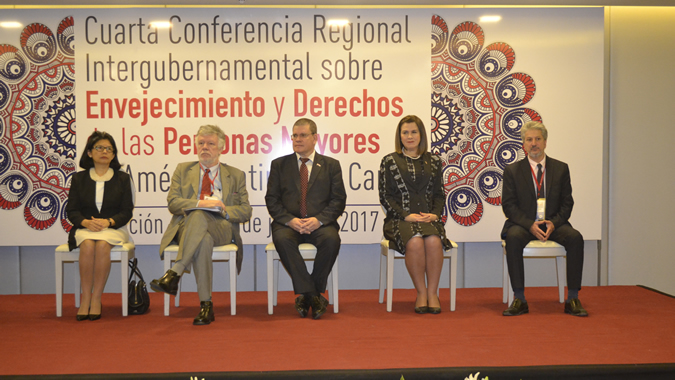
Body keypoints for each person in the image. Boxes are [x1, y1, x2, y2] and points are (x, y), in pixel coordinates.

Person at [151, 125, 252, 325]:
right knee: (201, 234)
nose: (204, 147)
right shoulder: (182, 169)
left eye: (210, 144)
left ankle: (175, 273)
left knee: (201, 220)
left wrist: (223, 209)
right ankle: (206, 305)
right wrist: (200, 204)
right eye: (201, 143)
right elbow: (173, 203)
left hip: (221, 227)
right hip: (187, 228)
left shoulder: (236, 174)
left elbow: (246, 211)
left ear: (221, 148)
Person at [501, 121, 587, 317]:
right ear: (523, 144)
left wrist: (554, 223)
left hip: (553, 223)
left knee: (575, 238)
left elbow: (567, 203)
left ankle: (573, 298)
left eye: (538, 139)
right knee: (512, 238)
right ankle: (519, 299)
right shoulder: (512, 171)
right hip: (524, 224)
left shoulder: (561, 168)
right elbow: (509, 206)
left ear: (545, 142)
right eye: (529, 139)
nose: (534, 143)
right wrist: (529, 225)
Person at [265, 118, 346, 319]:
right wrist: (289, 220)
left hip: (320, 223)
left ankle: (307, 296)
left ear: (315, 138)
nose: (297, 139)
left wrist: (318, 220)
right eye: (295, 135)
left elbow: (338, 200)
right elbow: (272, 200)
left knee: (331, 239)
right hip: (288, 224)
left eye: (303, 135)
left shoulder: (331, 165)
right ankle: (314, 295)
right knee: (282, 240)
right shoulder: (279, 164)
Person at [378, 115, 452, 314]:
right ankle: (421, 292)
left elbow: (439, 194)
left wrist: (435, 215)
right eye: (405, 132)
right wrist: (405, 215)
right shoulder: (389, 161)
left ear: (421, 135)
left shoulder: (434, 161)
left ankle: (433, 293)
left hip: (428, 219)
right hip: (399, 220)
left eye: (413, 132)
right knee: (415, 241)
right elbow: (385, 196)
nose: (409, 136)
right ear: (399, 135)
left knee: (434, 241)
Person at [66, 131, 134, 321]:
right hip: (85, 228)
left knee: (102, 245)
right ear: (89, 153)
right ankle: (85, 297)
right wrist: (86, 222)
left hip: (113, 229)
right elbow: (72, 211)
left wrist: (109, 222)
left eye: (109, 149)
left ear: (113, 155)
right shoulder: (79, 179)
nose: (104, 152)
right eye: (99, 148)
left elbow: (126, 212)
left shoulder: (122, 178)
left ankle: (96, 298)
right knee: (87, 245)